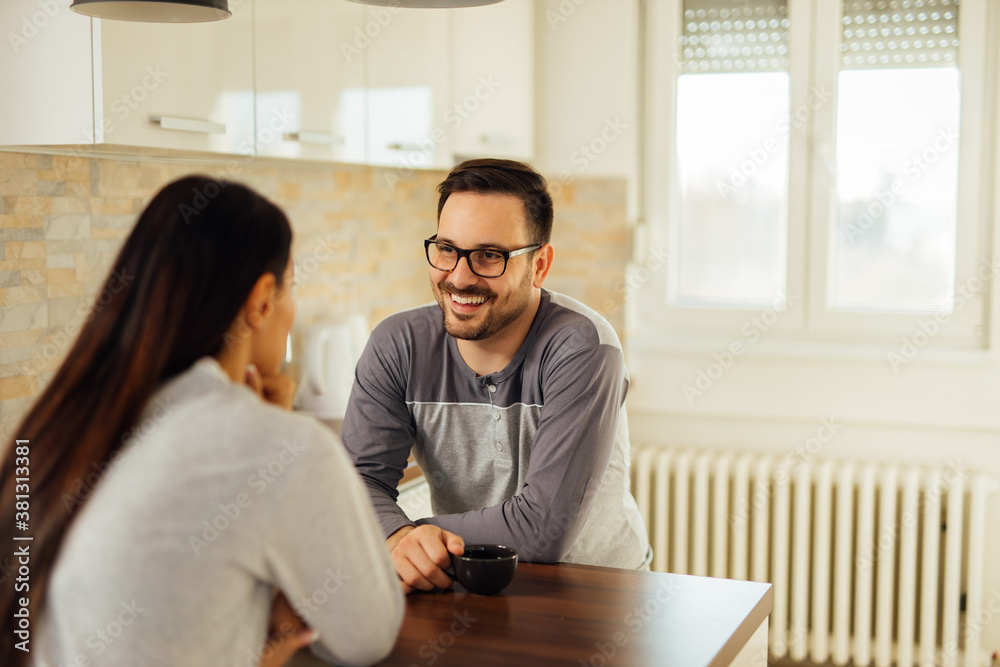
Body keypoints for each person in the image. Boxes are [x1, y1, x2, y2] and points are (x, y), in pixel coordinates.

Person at [0, 176, 403, 667]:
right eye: (290, 288)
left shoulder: (57, 431)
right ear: (260, 301)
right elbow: (368, 635)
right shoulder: (284, 449)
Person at [341, 158, 651, 593]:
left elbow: (541, 530)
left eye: (490, 256)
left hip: (593, 592)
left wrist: (406, 535)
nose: (460, 277)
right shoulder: (398, 344)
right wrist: (396, 535)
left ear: (540, 265)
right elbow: (358, 484)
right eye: (447, 249)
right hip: (467, 584)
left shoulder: (584, 347)